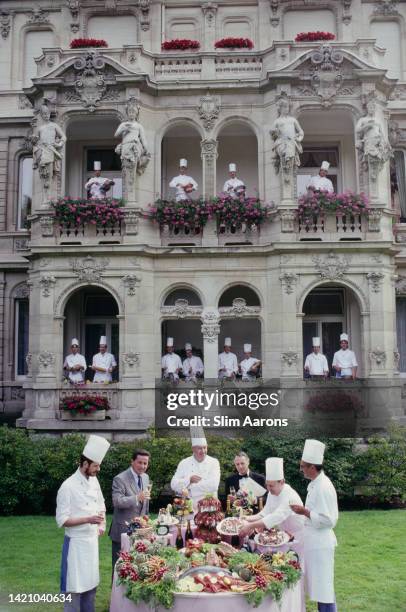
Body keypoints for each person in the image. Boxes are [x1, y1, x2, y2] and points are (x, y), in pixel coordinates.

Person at [56, 435, 110, 612]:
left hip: (91, 543)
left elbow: (101, 504)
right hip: (75, 545)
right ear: (85, 464)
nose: (98, 469)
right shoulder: (68, 486)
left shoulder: (94, 481)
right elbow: (62, 520)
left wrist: (101, 524)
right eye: (95, 466)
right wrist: (88, 519)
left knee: (91, 587)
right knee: (74, 589)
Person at [290, 439, 339, 612]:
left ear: (312, 467)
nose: (301, 469)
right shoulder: (315, 484)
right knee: (320, 589)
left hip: (321, 544)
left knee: (324, 589)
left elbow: (329, 520)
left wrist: (305, 512)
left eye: (303, 466)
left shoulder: (323, 486)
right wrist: (305, 512)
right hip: (314, 543)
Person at [239, 458, 305, 551]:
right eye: (267, 485)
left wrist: (250, 526)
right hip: (282, 536)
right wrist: (247, 518)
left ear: (282, 482)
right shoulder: (272, 493)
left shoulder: (290, 496)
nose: (268, 489)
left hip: (298, 537)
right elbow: (265, 513)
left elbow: (275, 517)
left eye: (271, 486)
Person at [109, 449, 151, 577]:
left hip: (140, 531)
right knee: (119, 567)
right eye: (140, 462)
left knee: (136, 567)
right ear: (132, 461)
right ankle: (115, 597)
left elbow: (145, 502)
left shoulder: (145, 477)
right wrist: (137, 497)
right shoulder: (119, 479)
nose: (143, 466)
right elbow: (117, 501)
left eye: (145, 463)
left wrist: (146, 520)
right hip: (122, 531)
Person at [171, 431, 220, 512]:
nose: (203, 451)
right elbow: (173, 484)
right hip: (189, 508)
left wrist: (189, 488)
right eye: (200, 448)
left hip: (209, 508)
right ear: (193, 449)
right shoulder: (184, 463)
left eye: (205, 447)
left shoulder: (214, 462)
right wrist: (189, 480)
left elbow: (213, 485)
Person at [32, 103, 67, 187]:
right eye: (44, 114)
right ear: (41, 115)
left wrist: (59, 144)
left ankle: (48, 184)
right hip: (43, 149)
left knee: (50, 170)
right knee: (43, 167)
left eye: (47, 113)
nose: (46, 115)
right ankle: (38, 167)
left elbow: (63, 137)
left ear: (49, 114)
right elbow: (35, 140)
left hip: (51, 148)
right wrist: (34, 139)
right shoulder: (40, 128)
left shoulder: (54, 125)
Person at [114, 99, 151, 175]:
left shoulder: (138, 126)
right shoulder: (124, 124)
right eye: (129, 112)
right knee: (126, 165)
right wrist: (124, 129)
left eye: (133, 112)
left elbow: (143, 139)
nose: (131, 114)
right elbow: (116, 134)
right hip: (126, 146)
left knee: (134, 164)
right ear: (127, 113)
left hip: (135, 146)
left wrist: (146, 149)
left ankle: (135, 172)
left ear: (136, 114)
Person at [270, 95, 304, 174]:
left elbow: (301, 131)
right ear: (280, 108)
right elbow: (272, 133)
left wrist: (299, 138)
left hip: (291, 141)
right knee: (283, 151)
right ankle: (282, 162)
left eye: (288, 107)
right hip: (281, 141)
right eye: (284, 107)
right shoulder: (277, 121)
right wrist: (274, 133)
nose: (287, 109)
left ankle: (288, 166)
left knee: (290, 154)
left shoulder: (293, 120)